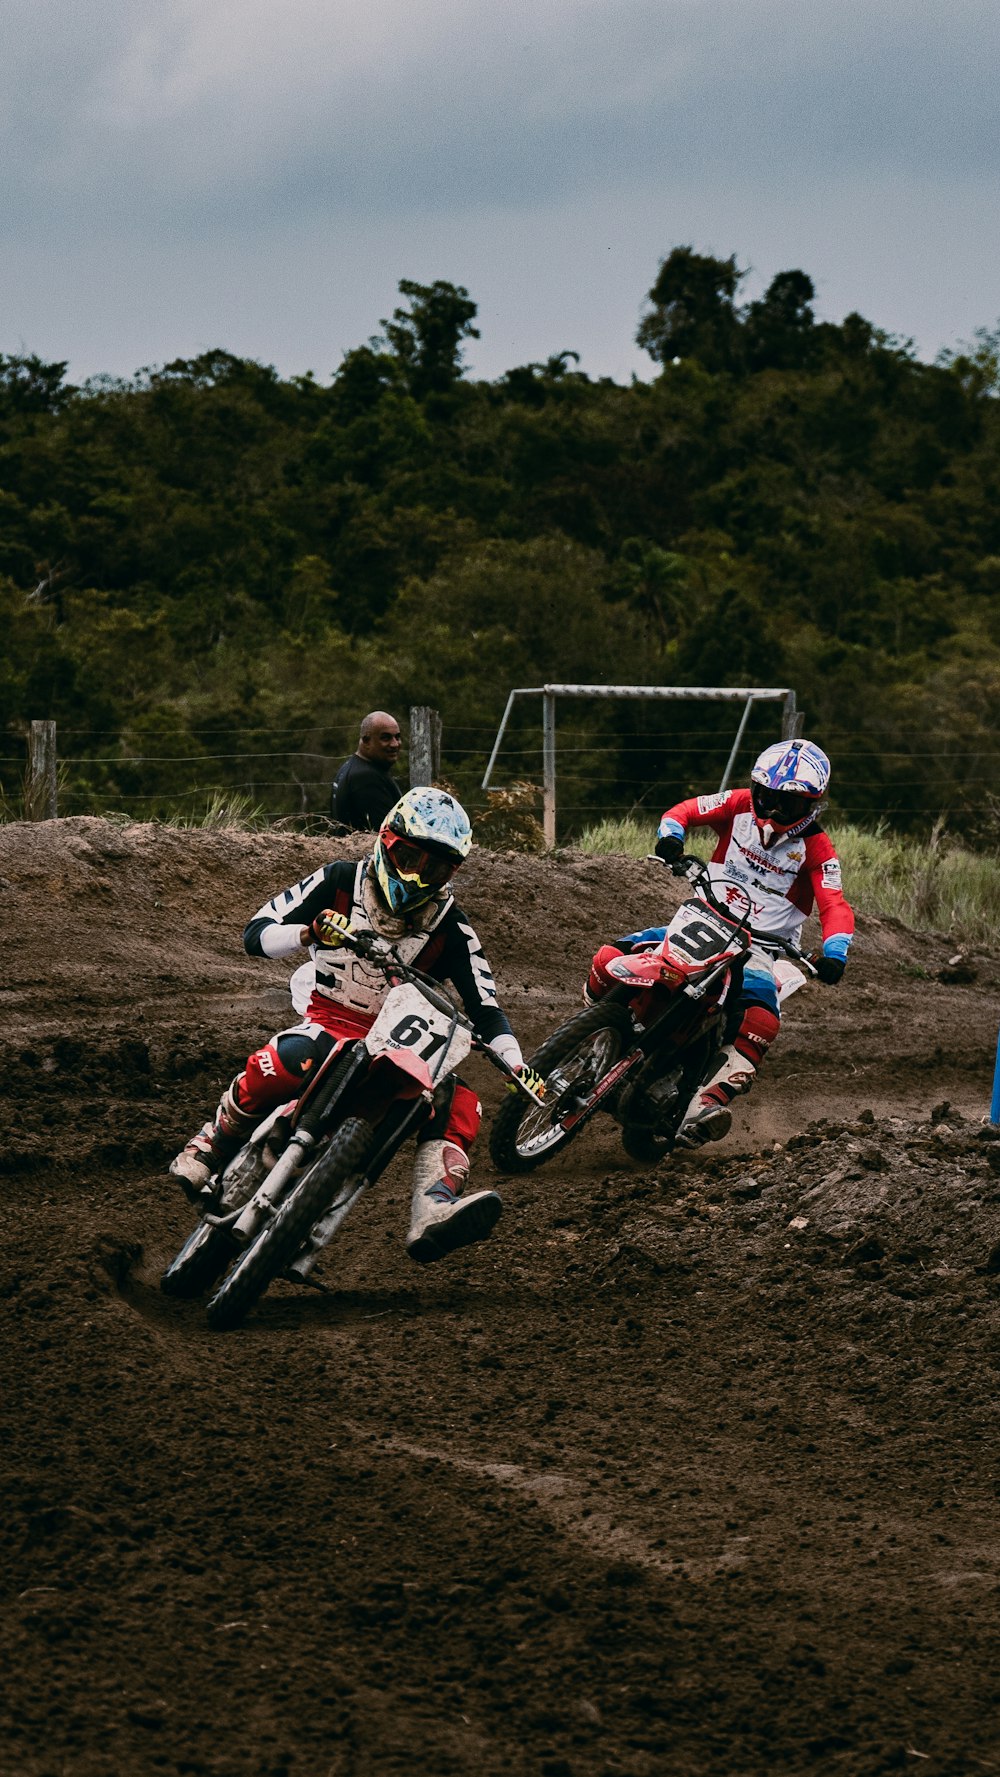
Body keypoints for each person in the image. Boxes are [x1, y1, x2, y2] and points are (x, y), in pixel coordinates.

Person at [170, 788, 539, 1265]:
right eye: (409, 857)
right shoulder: (341, 880)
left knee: (458, 1100)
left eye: (436, 869)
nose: (417, 876)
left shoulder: (453, 928)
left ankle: (433, 1208)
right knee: (289, 1059)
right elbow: (256, 933)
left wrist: (515, 1063)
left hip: (400, 1045)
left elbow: (486, 1008)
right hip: (331, 1018)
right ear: (386, 842)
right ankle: (211, 1143)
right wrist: (308, 932)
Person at [584, 738, 854, 1149]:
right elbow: (685, 811)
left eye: (789, 805)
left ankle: (703, 1103)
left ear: (812, 805)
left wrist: (835, 951)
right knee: (613, 957)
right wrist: (671, 836)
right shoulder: (739, 803)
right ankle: (587, 1040)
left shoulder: (818, 848)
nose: (773, 812)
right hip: (704, 915)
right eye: (767, 798)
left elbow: (834, 903)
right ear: (756, 789)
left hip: (760, 946)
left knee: (762, 1021)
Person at [330, 711, 403, 831]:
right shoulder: (366, 778)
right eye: (386, 738)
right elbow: (388, 833)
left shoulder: (350, 767)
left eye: (397, 737)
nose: (395, 744)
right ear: (366, 741)